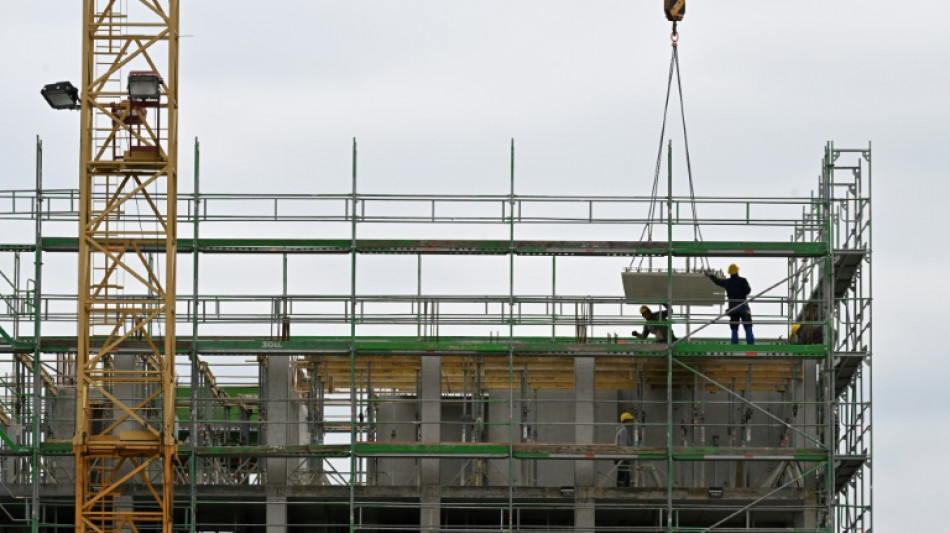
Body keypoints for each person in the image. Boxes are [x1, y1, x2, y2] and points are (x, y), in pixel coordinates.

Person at [707, 264, 754, 345]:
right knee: (747, 326)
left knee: (734, 328)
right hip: (743, 306)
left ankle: (734, 345)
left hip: (732, 308)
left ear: (730, 273)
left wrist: (711, 275)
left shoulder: (727, 282)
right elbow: (748, 291)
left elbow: (717, 281)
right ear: (737, 271)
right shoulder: (743, 281)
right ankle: (751, 345)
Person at [615, 412, 634, 487]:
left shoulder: (620, 429)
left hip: (620, 457)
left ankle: (620, 492)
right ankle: (621, 493)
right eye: (630, 420)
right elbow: (623, 446)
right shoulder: (623, 430)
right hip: (622, 458)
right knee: (624, 477)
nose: (632, 423)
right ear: (627, 421)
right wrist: (626, 457)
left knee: (623, 476)